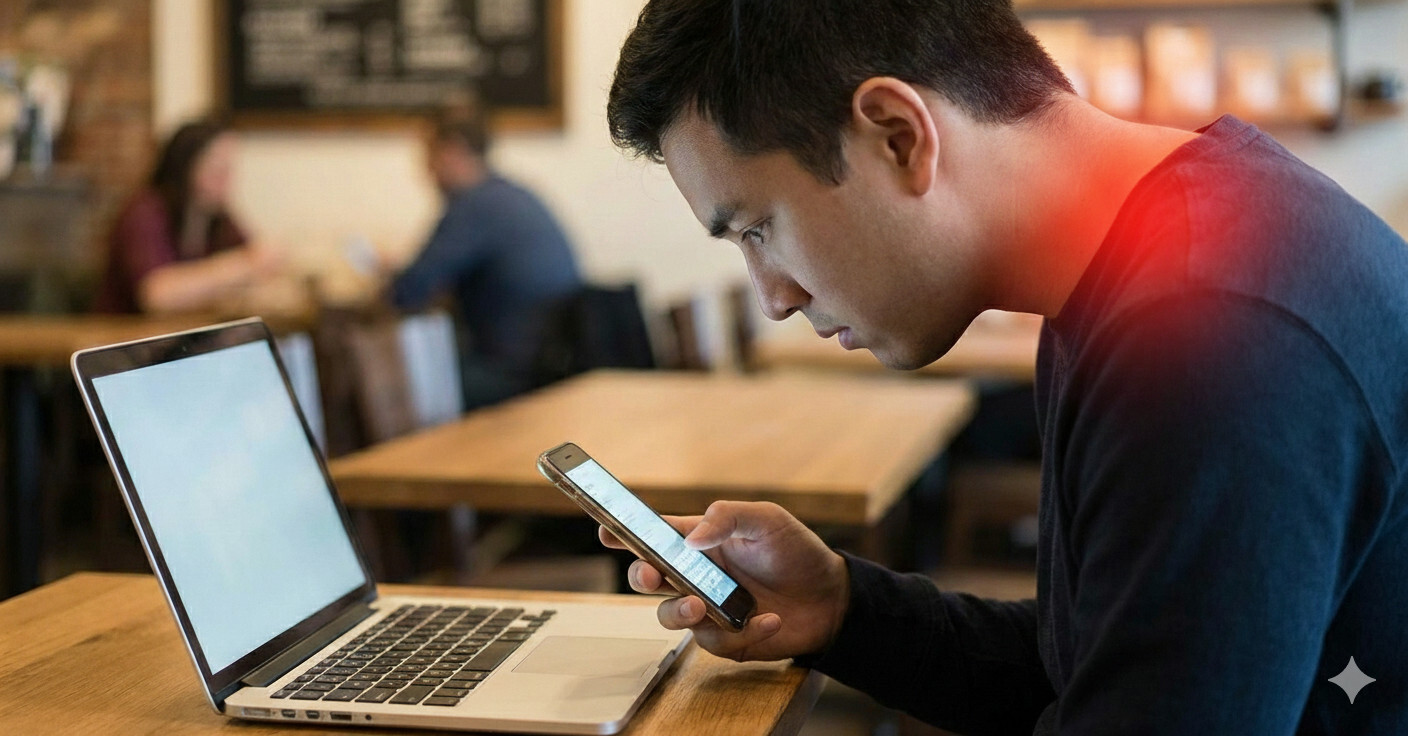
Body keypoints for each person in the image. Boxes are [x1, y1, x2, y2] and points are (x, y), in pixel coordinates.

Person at [600, 1, 1408, 733]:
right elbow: (1104, 667)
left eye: (758, 229)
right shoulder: (1145, 261)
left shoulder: (1210, 331)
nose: (772, 296)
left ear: (897, 134)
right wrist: (843, 606)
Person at [389, 108, 582, 406]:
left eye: (428, 154)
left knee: (391, 389)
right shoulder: (513, 194)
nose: (425, 170)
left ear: (452, 150)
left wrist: (383, 275)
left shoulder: (473, 205)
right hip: (555, 364)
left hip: (513, 375)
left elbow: (407, 291)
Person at [95, 119, 281, 314]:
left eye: (229, 169)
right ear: (186, 166)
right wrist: (243, 265)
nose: (227, 180)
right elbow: (157, 294)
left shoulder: (217, 216)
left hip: (182, 334)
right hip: (127, 337)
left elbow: (255, 256)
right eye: (218, 168)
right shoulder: (145, 212)